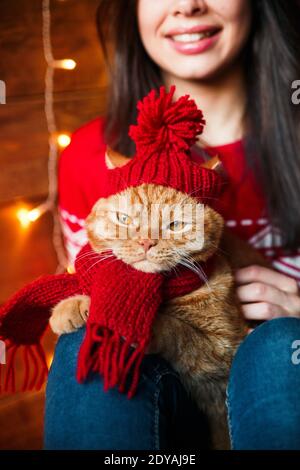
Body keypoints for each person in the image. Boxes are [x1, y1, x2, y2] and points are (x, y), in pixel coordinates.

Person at [44, 0, 300, 450]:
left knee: (281, 346)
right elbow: (93, 277)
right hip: (159, 398)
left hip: (270, 386)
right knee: (85, 339)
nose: (187, 5)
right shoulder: (88, 155)